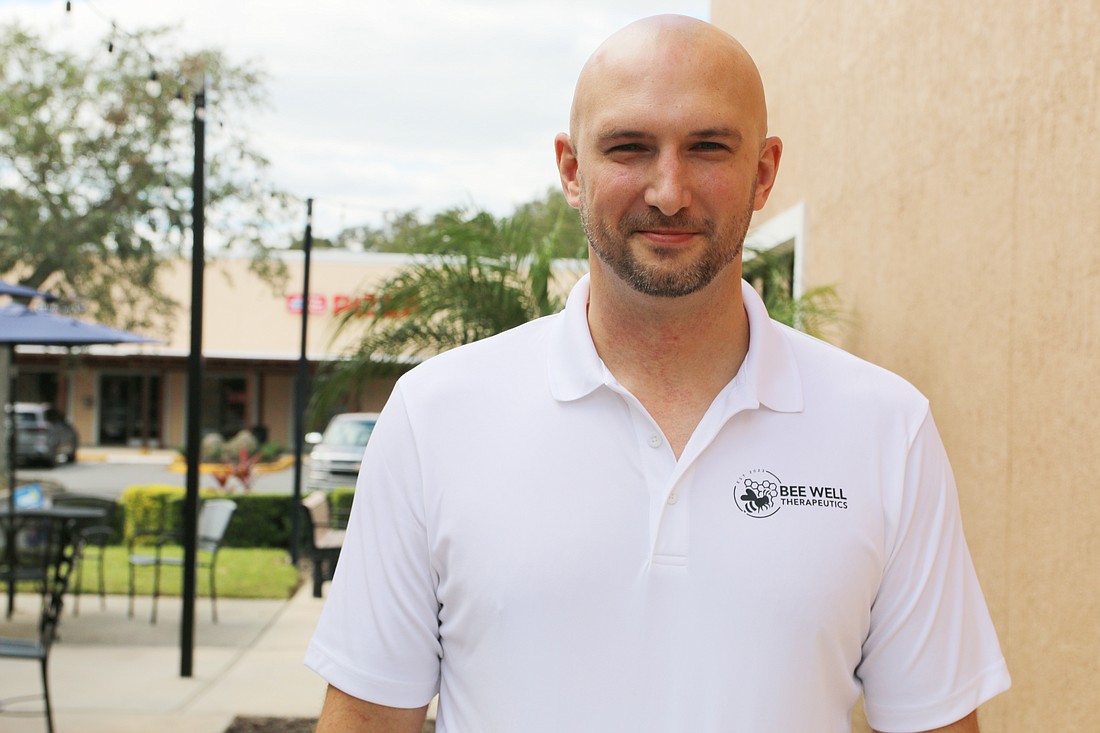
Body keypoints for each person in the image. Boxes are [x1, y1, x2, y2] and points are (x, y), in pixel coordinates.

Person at [305, 14, 1010, 732]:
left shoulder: (888, 429)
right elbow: (365, 716)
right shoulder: (436, 416)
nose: (668, 191)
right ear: (572, 170)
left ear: (763, 173)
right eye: (629, 147)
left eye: (707, 147)